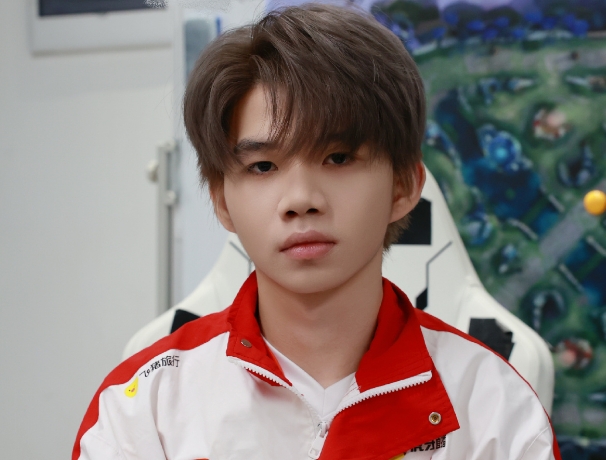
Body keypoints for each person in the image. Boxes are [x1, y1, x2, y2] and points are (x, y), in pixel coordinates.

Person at [73, 4, 561, 459]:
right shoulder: (144, 407)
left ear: (404, 186)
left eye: (338, 158)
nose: (301, 199)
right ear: (222, 201)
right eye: (263, 166)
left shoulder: (496, 408)